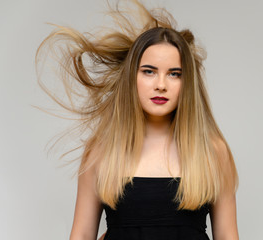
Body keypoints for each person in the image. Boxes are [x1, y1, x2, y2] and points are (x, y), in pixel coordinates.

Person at [36, 0, 239, 239]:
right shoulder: (101, 151)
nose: (161, 85)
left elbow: (228, 236)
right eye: (149, 71)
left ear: (188, 83)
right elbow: (80, 235)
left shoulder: (213, 152)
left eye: (174, 74)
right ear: (132, 76)